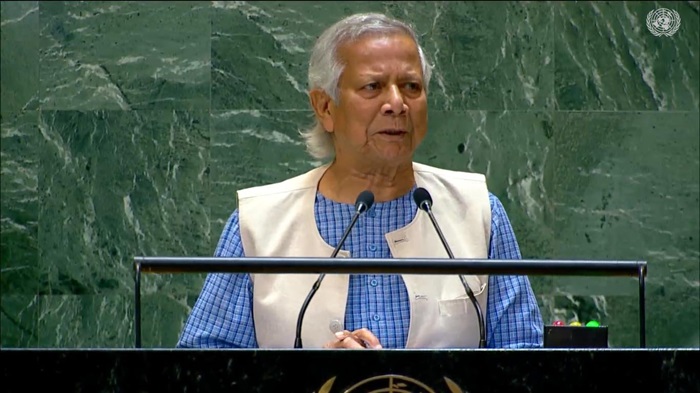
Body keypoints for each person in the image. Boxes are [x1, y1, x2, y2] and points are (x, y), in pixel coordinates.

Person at [177, 12, 543, 350]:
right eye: (373, 87)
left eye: (411, 87)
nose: (397, 103)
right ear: (325, 107)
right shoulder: (259, 223)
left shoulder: (477, 212)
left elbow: (524, 357)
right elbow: (203, 366)